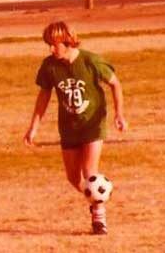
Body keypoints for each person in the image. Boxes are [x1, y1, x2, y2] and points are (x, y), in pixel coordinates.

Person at [24, 21, 127, 235]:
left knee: (90, 172)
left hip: (92, 125)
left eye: (55, 44)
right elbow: (43, 96)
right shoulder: (49, 66)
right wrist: (33, 127)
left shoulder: (90, 61)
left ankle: (99, 218)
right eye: (48, 45)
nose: (51, 49)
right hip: (68, 127)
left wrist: (119, 114)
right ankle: (94, 196)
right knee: (73, 177)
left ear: (68, 41)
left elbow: (115, 83)